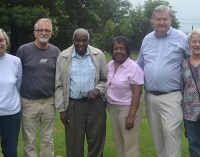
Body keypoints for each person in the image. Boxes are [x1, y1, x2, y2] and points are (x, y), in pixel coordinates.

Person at [137, 5, 189, 157]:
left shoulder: (181, 38)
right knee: (157, 135)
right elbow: (139, 64)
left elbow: (193, 61)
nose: (161, 22)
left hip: (172, 96)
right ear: (152, 21)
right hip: (150, 96)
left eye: (164, 19)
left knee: (171, 133)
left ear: (170, 19)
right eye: (158, 19)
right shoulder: (147, 39)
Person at [55, 28, 107, 157]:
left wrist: (98, 89)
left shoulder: (98, 54)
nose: (81, 43)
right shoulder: (63, 56)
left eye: (84, 40)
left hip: (95, 105)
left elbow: (105, 79)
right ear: (73, 40)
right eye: (77, 40)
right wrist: (62, 109)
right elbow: (59, 85)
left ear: (88, 40)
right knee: (73, 145)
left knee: (96, 142)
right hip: (74, 106)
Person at [16, 18, 60, 157]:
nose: (44, 33)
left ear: (51, 33)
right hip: (28, 103)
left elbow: (59, 77)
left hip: (49, 102)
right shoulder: (23, 50)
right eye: (40, 30)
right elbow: (16, 75)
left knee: (48, 139)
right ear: (34, 33)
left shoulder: (56, 51)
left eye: (47, 30)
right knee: (29, 140)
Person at [106, 36, 144, 157]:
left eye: (122, 48)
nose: (118, 51)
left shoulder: (133, 67)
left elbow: (137, 93)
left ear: (127, 50)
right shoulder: (110, 65)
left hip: (127, 109)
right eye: (116, 48)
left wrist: (131, 115)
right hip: (113, 108)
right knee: (119, 143)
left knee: (130, 145)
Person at [0, 28, 22, 157]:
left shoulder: (15, 61)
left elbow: (18, 85)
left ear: (6, 42)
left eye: (1, 40)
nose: (0, 44)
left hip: (11, 115)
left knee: (11, 152)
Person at [182, 29, 200, 157]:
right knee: (193, 144)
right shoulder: (183, 64)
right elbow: (181, 86)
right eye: (194, 41)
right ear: (189, 44)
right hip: (190, 111)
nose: (197, 44)